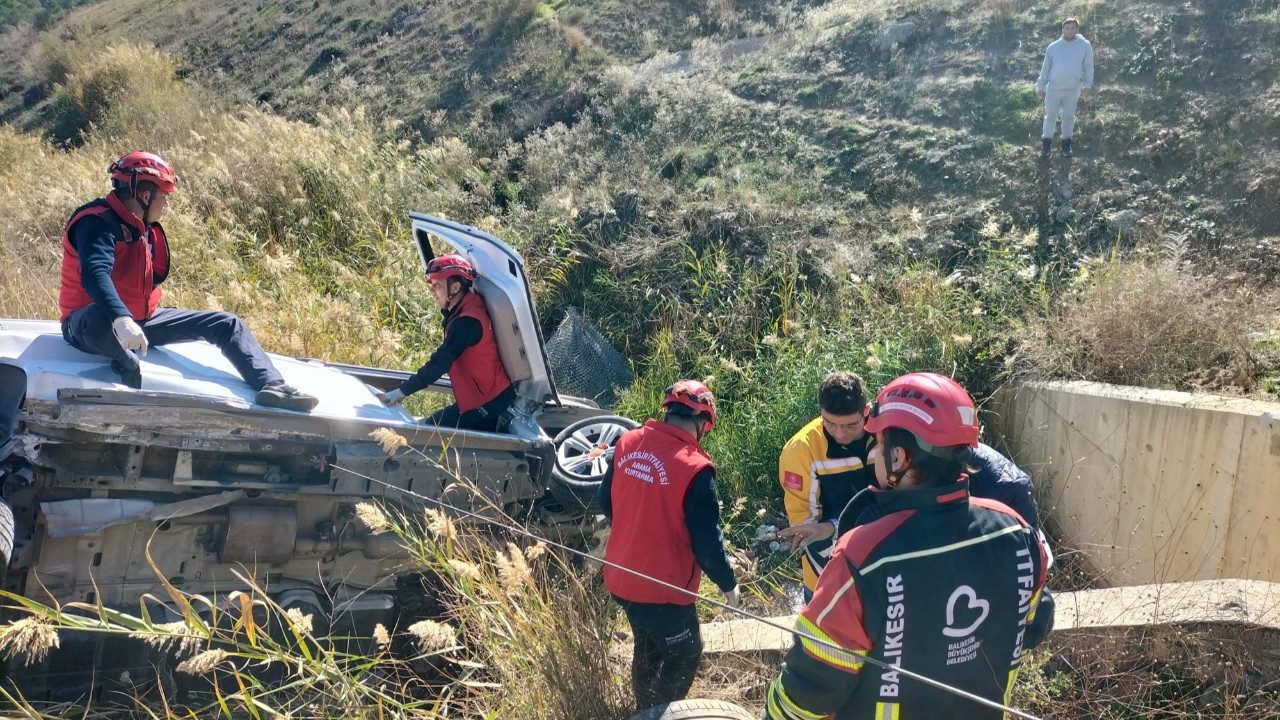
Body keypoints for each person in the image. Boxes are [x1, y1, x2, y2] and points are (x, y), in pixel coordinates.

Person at [764, 373, 1052, 720]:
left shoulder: (861, 558)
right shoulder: (1018, 533)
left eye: (880, 445)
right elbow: (1034, 623)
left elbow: (808, 691)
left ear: (899, 458)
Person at [60, 152, 318, 412]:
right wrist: (122, 319)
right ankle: (126, 362)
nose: (167, 205)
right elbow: (95, 273)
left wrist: (130, 322)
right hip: (88, 325)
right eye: (164, 196)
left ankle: (273, 386)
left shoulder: (141, 223)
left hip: (138, 323)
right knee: (98, 318)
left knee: (226, 324)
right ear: (145, 195)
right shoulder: (96, 222)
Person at [597, 380, 740, 710]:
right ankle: (657, 715)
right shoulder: (695, 468)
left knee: (647, 644)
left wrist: (638, 525)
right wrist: (728, 583)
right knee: (684, 654)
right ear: (703, 422)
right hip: (662, 590)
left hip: (620, 576)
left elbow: (606, 499)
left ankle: (643, 708)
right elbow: (707, 543)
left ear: (669, 411)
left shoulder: (628, 442)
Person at [378, 254, 515, 431]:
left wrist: (402, 391)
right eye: (432, 285)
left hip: (490, 402)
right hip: (485, 396)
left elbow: (439, 363)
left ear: (456, 287)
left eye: (438, 285)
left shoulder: (467, 322)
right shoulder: (467, 306)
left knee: (430, 431)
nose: (432, 291)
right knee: (432, 425)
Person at [776, 372, 877, 599]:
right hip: (826, 572)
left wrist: (833, 526)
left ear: (867, 412)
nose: (840, 434)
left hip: (886, 566)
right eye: (830, 423)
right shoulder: (801, 450)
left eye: (851, 425)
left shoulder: (887, 434)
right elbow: (807, 529)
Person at [1036, 18, 1094, 158]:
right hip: (1054, 89)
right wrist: (1040, 87)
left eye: (1073, 28)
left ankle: (1066, 145)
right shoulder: (1053, 47)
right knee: (1050, 117)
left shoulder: (1085, 46)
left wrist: (1087, 86)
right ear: (1062, 30)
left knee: (1068, 117)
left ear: (1077, 30)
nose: (1070, 30)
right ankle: (1046, 146)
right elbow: (1045, 70)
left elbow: (1088, 68)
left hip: (1073, 90)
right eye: (1067, 28)